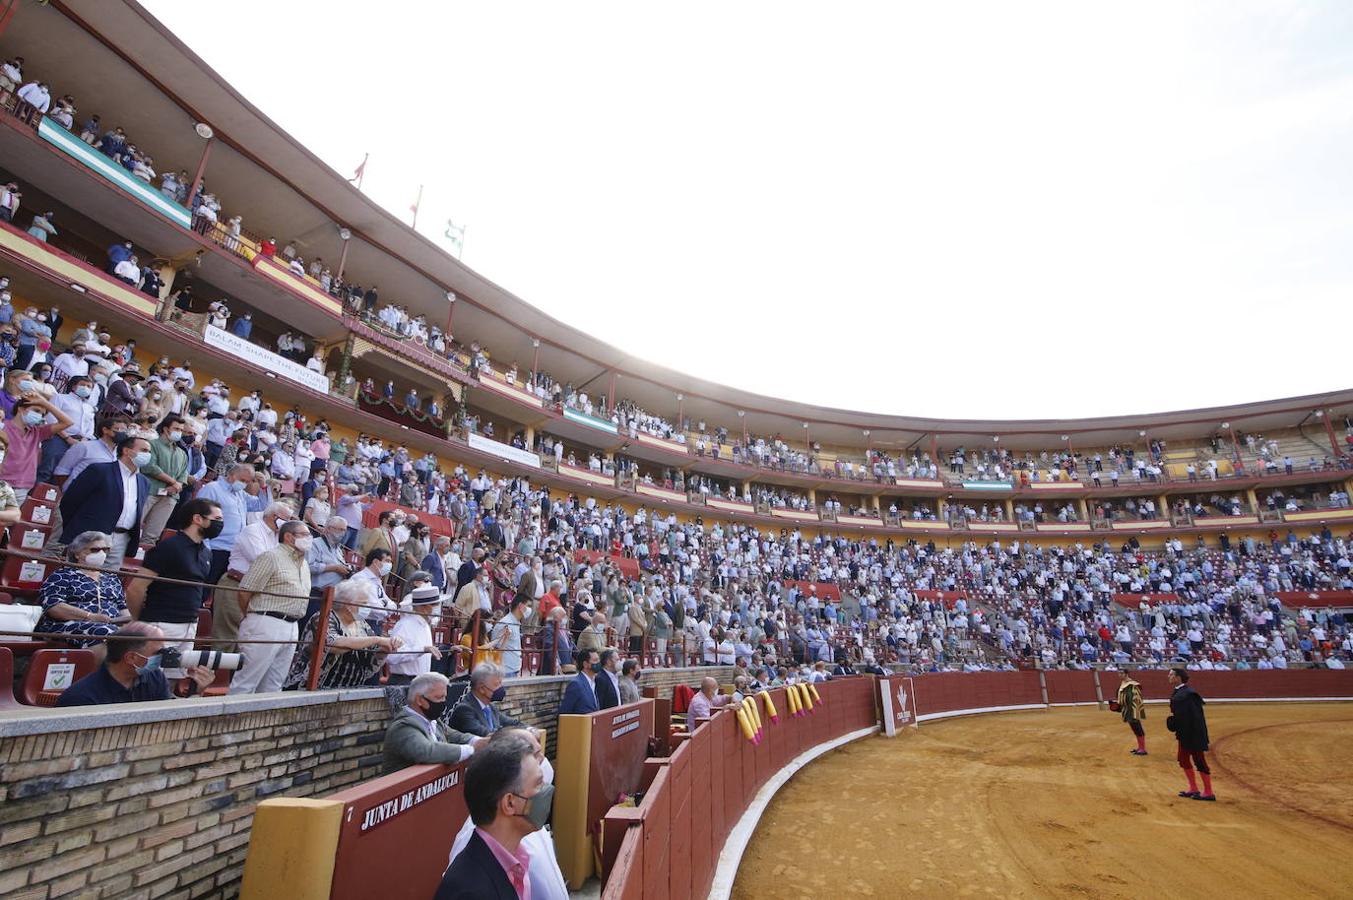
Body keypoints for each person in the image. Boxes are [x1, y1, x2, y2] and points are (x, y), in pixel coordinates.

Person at [446, 728, 568, 900]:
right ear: (510, 803)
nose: (547, 791)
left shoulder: (516, 859)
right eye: (538, 784)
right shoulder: (470, 892)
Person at [126, 498, 219, 679]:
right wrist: (140, 622)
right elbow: (136, 588)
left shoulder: (206, 552)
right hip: (161, 625)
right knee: (147, 680)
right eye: (216, 519)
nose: (220, 524)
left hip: (189, 625)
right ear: (197, 519)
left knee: (176, 678)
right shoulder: (168, 547)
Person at [229, 521, 312, 694]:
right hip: (266, 621)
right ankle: (231, 720)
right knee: (246, 682)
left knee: (274, 685)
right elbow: (245, 590)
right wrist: (253, 616)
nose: (309, 539)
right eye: (304, 535)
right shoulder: (271, 556)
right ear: (289, 537)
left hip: (292, 625)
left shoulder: (304, 564)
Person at [283, 578, 401, 690]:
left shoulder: (362, 624)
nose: (367, 608)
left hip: (348, 689)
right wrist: (376, 640)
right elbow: (333, 644)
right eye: (363, 603)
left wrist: (387, 647)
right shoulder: (323, 617)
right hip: (312, 688)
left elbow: (372, 657)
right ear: (348, 604)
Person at [56, 622, 212, 706]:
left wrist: (195, 693)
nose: (162, 658)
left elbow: (167, 720)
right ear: (131, 658)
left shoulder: (155, 678)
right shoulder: (82, 698)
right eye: (157, 653)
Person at [34, 532, 131, 658]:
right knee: (106, 632)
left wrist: (130, 625)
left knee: (141, 634)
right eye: (95, 549)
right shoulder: (62, 575)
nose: (101, 553)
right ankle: (99, 676)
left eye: (105, 550)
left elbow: (123, 609)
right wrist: (90, 616)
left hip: (110, 625)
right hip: (68, 625)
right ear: (77, 553)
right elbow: (54, 607)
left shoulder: (111, 578)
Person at [57, 434, 151, 563]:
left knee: (108, 580)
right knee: (80, 576)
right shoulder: (100, 470)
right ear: (126, 451)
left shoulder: (144, 482)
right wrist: (80, 533)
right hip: (91, 537)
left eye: (149, 451)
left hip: (121, 539)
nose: (148, 455)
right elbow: (70, 501)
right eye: (144, 450)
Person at [211, 500, 290, 652]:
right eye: (287, 518)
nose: (288, 523)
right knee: (226, 638)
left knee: (245, 640)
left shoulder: (277, 537)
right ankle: (215, 675)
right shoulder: (252, 530)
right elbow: (261, 560)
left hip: (256, 591)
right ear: (274, 516)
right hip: (236, 585)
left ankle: (233, 676)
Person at [383, 671, 485, 775]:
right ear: (419, 700)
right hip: (402, 788)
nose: (443, 702)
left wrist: (478, 741)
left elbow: (453, 735)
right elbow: (427, 751)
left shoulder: (433, 721)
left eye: (445, 697)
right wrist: (471, 749)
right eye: (438, 697)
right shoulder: (403, 727)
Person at [0, 392, 72, 502]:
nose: (39, 416)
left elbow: (68, 422)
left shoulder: (37, 432)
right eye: (36, 411)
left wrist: (44, 402)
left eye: (43, 414)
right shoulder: (3, 427)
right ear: (21, 409)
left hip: (23, 488)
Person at [1166, 668, 1216, 801]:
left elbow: (1195, 718)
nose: (1168, 676)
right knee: (1183, 759)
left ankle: (1209, 791)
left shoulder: (1188, 694)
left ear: (1178, 677)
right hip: (1184, 734)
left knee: (1199, 761)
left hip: (1193, 734)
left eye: (1171, 674)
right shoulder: (1180, 692)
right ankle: (1193, 788)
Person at [138, 414, 190, 542]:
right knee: (132, 528)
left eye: (181, 430)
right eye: (177, 429)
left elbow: (184, 474)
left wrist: (177, 485)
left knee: (152, 535)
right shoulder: (151, 444)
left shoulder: (181, 453)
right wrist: (173, 482)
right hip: (149, 492)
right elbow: (149, 467)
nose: (179, 433)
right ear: (166, 429)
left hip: (169, 497)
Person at [450, 662, 534, 738]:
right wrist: (519, 734)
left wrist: (529, 729)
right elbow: (485, 734)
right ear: (482, 688)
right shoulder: (464, 709)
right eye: (497, 684)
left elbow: (512, 722)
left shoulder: (489, 706)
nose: (501, 687)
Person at [388, 585, 443, 683]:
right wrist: (421, 650)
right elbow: (392, 656)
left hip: (420, 681)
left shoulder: (425, 625)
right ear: (424, 607)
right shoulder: (405, 625)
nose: (437, 609)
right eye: (435, 605)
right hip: (404, 681)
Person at [491, 595, 528, 677]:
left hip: (513, 669)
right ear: (521, 606)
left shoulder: (516, 622)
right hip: (506, 671)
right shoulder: (506, 622)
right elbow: (496, 647)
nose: (529, 609)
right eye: (528, 606)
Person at [1114, 669, 1148, 756]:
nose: (1120, 675)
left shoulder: (1132, 684)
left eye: (1121, 673)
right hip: (1127, 709)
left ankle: (1142, 749)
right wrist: (1120, 706)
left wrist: (1132, 709)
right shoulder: (1124, 684)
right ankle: (1140, 747)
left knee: (1137, 728)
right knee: (1135, 728)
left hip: (1133, 709)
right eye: (1119, 673)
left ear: (1126, 674)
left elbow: (1134, 698)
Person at [558, 648, 600, 715]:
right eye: (595, 660)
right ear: (585, 664)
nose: (598, 663)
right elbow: (564, 713)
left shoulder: (594, 682)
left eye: (599, 660)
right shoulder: (576, 684)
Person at [539, 606, 571, 676]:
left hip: (566, 667)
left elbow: (571, 646)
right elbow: (549, 646)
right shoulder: (548, 628)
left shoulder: (563, 630)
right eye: (563, 616)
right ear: (555, 616)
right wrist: (556, 663)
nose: (565, 618)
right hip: (553, 670)